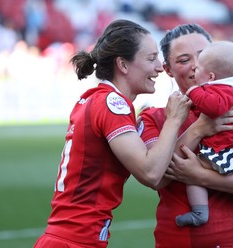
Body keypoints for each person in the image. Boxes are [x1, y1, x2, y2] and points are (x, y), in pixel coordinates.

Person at [33, 19, 192, 248]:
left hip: (71, 238)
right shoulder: (112, 103)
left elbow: (157, 170)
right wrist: (175, 120)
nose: (159, 67)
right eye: (151, 58)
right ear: (123, 65)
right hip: (73, 241)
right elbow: (151, 173)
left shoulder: (97, 98)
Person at [138, 24, 233, 247]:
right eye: (184, 60)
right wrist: (198, 129)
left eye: (202, 56)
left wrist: (199, 176)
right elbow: (157, 177)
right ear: (168, 70)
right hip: (179, 240)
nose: (195, 66)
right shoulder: (153, 118)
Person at [174, 40, 233, 239]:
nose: (194, 67)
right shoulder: (232, 88)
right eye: (185, 60)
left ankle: (200, 212)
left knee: (192, 170)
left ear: (211, 76)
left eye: (198, 64)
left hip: (226, 152)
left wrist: (192, 91)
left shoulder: (219, 92)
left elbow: (213, 107)